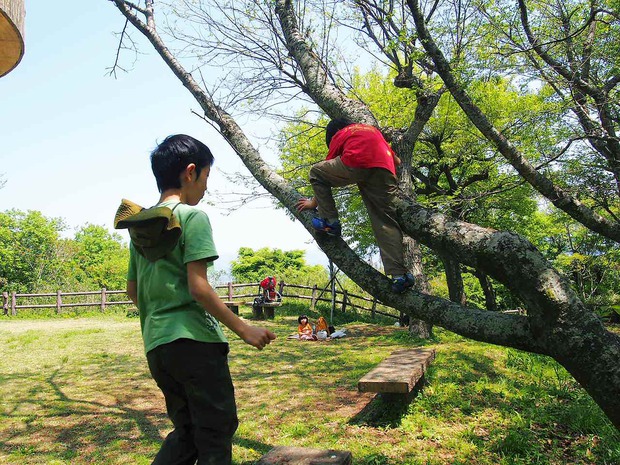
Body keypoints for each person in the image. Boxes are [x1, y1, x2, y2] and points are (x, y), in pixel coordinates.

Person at [116, 134, 276, 465]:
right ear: (190, 173)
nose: (206, 187)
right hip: (195, 343)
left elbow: (133, 291)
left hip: (158, 347)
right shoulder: (192, 217)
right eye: (206, 177)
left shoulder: (142, 226)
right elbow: (198, 287)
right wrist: (244, 329)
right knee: (216, 430)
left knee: (187, 431)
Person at [296, 118, 415, 293]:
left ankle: (330, 221)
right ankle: (400, 276)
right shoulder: (373, 132)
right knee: (385, 222)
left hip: (356, 162)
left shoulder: (341, 134)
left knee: (316, 172)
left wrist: (312, 203)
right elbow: (397, 162)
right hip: (384, 169)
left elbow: (325, 173)